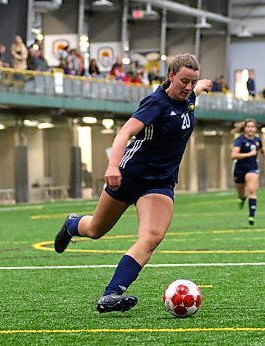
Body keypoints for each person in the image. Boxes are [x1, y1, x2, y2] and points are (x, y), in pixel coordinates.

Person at [54, 53, 212, 314]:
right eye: (183, 80)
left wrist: (202, 85)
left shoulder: (189, 96)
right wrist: (112, 166)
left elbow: (195, 91)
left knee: (151, 238)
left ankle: (111, 295)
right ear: (171, 76)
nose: (187, 87)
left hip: (159, 184)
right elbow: (124, 133)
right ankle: (72, 225)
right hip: (129, 176)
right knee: (95, 229)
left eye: (191, 81)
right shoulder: (155, 103)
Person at [231, 119, 265, 226]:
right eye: (248, 126)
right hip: (239, 169)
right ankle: (241, 198)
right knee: (241, 192)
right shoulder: (240, 140)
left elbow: (263, 151)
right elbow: (233, 155)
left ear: (255, 128)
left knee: (251, 190)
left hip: (252, 168)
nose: (250, 128)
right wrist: (249, 154)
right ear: (245, 129)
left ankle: (251, 216)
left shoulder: (257, 140)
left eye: (252, 126)